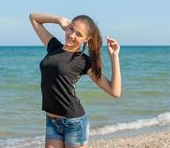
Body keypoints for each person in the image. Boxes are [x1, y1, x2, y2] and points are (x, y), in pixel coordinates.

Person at [29, 12, 121, 148]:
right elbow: (33, 18)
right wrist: (58, 19)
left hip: (74, 123)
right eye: (71, 28)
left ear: (86, 39)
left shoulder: (84, 61)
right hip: (51, 121)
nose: (72, 35)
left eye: (79, 34)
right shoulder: (53, 46)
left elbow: (115, 92)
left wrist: (114, 57)